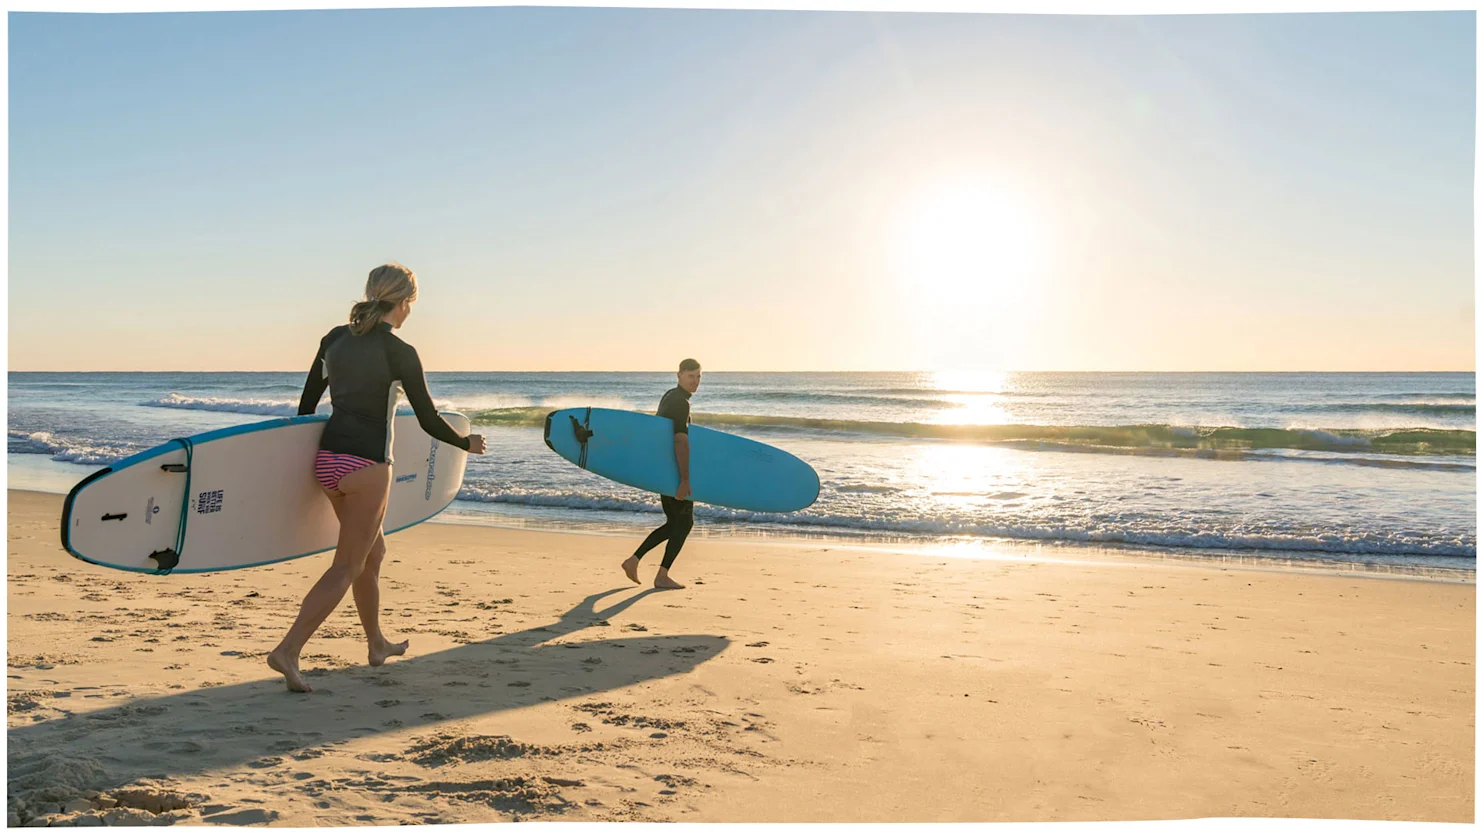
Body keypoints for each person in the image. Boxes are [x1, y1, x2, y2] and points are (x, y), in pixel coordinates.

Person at [267, 263, 487, 693]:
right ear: (405, 302)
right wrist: (465, 443)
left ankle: (376, 644)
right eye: (411, 306)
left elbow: (307, 404)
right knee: (347, 565)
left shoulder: (334, 339)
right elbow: (427, 419)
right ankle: (288, 650)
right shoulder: (400, 351)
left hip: (328, 462)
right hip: (367, 467)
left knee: (373, 552)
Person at [622, 358, 701, 590]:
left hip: (663, 469)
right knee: (684, 522)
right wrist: (684, 479)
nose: (695, 382)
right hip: (673, 472)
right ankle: (661, 575)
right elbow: (679, 439)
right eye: (690, 376)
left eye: (698, 377)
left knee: (675, 523)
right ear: (679, 375)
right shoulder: (681, 403)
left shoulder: (671, 396)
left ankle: (634, 561)